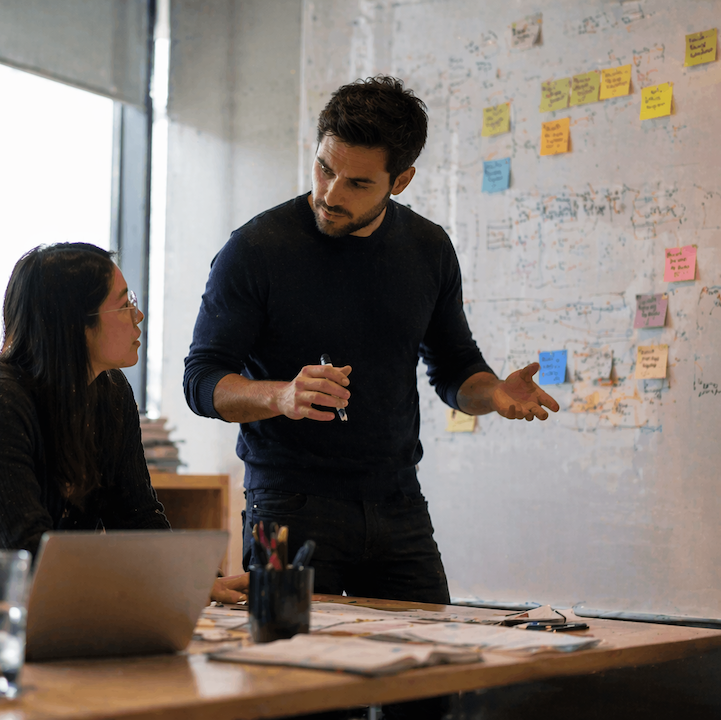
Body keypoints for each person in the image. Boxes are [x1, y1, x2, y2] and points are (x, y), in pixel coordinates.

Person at [183, 76, 559, 606]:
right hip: (281, 505)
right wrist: (281, 396)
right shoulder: (254, 248)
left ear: (400, 181)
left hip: (398, 501)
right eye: (324, 169)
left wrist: (493, 393)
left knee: (429, 655)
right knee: (284, 651)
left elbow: (456, 369)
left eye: (357, 183)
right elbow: (200, 382)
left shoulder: (429, 248)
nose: (330, 195)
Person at [0, 243, 247, 617]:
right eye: (125, 303)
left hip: (2, 619)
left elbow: (136, 516)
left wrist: (192, 578)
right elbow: (26, 554)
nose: (138, 315)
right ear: (76, 325)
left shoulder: (111, 391)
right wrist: (161, 585)